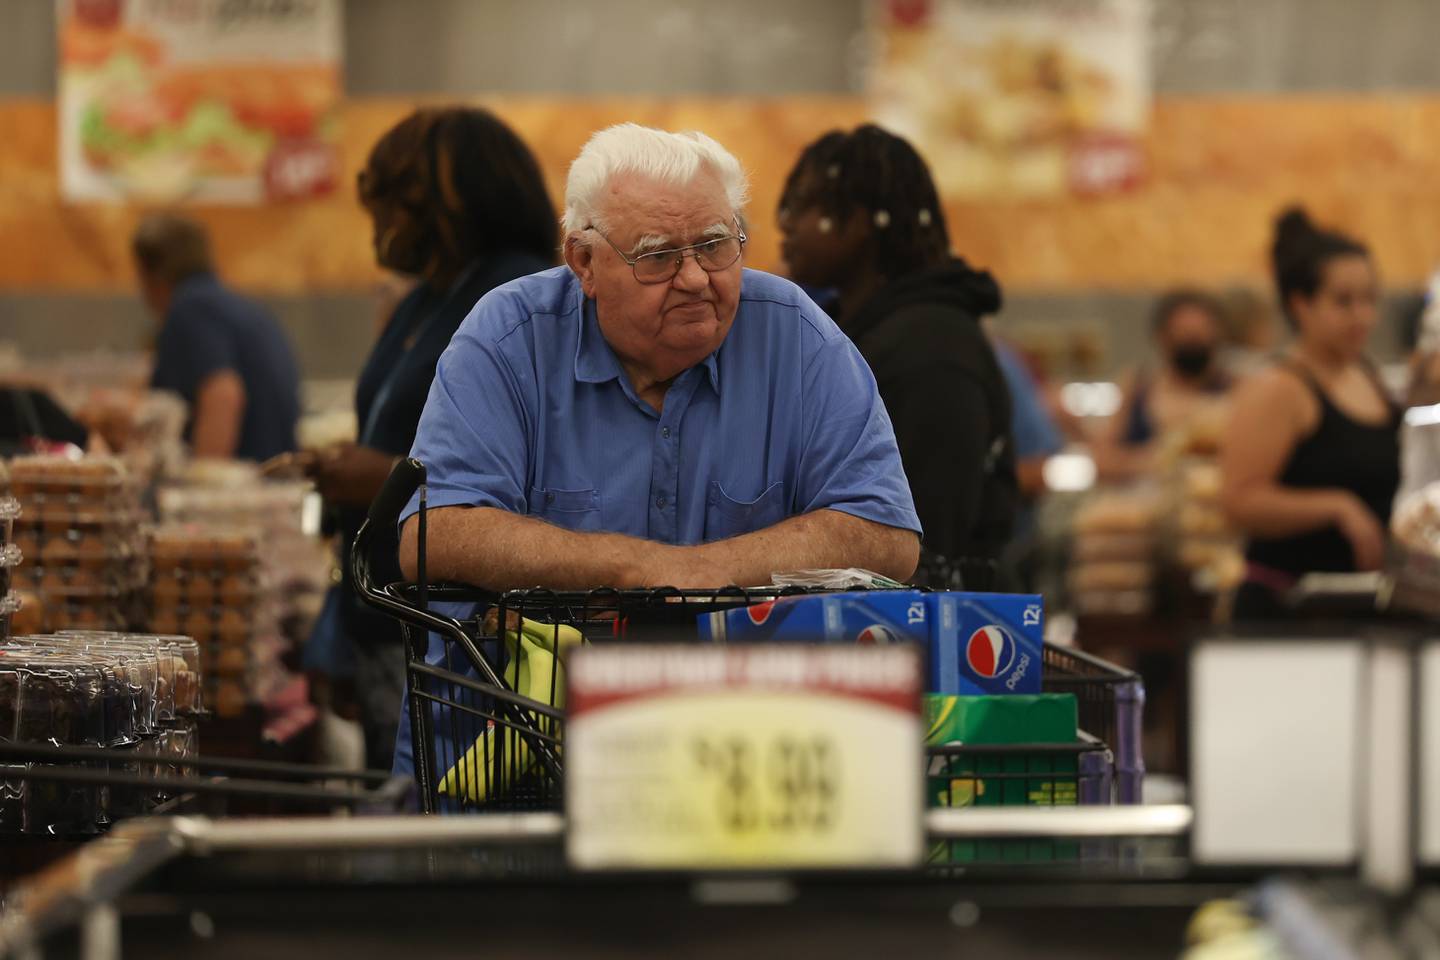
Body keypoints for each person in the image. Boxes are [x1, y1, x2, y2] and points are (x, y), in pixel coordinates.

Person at [391, 123, 921, 773]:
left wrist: (699, 573)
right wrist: (632, 569)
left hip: (737, 762)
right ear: (583, 261)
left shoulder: (798, 338)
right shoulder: (507, 339)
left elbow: (886, 535)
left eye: (716, 245)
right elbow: (434, 533)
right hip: (510, 761)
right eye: (657, 255)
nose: (696, 278)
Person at [291, 107, 558, 770]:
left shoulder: (515, 294)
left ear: (452, 201)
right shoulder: (427, 296)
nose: (381, 223)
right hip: (386, 610)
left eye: (392, 202)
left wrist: (374, 476)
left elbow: (524, 466)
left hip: (453, 629)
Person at [775, 124, 1016, 582]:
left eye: (803, 205)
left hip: (943, 631)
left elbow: (926, 534)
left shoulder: (931, 348)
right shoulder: (859, 332)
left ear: (863, 221)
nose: (785, 223)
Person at [1221, 208, 1399, 618]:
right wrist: (1337, 506)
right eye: (1344, 302)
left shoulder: (1367, 374)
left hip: (1364, 608)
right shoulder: (1278, 388)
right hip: (1289, 615)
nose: (1363, 317)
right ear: (1301, 305)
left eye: (1370, 299)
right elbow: (1238, 501)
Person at [133, 213, 300, 462]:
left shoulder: (190, 308)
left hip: (245, 487)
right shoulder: (231, 304)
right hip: (275, 476)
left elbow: (222, 394)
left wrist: (198, 487)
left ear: (152, 274)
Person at [1095, 289, 1231, 480]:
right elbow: (1102, 462)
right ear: (1163, 337)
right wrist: (1153, 460)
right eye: (1185, 334)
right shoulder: (1136, 385)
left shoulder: (1236, 389)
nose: (1193, 342)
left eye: (1200, 335)